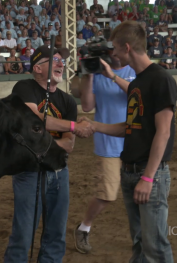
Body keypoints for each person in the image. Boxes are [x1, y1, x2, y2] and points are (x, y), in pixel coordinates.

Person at [78, 20, 176, 263]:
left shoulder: (159, 79)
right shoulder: (137, 83)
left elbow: (163, 132)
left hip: (146, 173)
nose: (112, 52)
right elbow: (130, 127)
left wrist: (147, 177)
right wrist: (94, 125)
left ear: (127, 48)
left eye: (114, 47)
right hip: (131, 171)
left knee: (155, 246)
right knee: (141, 244)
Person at [4, 44, 94, 263]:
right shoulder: (24, 88)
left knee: (55, 235)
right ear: (37, 68)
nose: (60, 64)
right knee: (23, 236)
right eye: (54, 60)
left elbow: (69, 146)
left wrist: (38, 142)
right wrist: (72, 126)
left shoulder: (68, 101)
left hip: (58, 172)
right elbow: (35, 119)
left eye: (62, 61)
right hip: (29, 173)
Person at [73, 41, 136, 254]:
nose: (113, 54)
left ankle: (140, 236)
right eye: (109, 51)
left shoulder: (134, 71)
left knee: (138, 194)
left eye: (114, 49)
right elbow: (88, 106)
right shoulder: (96, 75)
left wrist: (112, 76)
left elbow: (137, 95)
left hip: (135, 142)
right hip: (108, 142)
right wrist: (89, 74)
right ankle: (84, 227)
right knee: (107, 193)